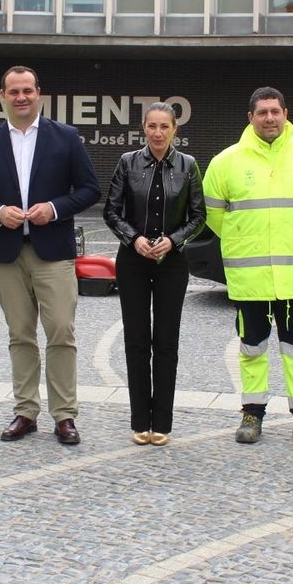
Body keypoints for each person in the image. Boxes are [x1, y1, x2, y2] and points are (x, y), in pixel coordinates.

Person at [0, 66, 100, 445]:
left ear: (39, 93)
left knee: (61, 333)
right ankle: (25, 412)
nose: (21, 97)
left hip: (53, 252)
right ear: (2, 96)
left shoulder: (66, 137)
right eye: (13, 91)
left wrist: (54, 208)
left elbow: (90, 189)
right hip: (7, 253)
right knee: (20, 335)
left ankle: (64, 415)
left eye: (27, 90)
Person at [202, 87, 293, 446]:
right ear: (250, 118)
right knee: (252, 348)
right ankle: (252, 414)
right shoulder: (225, 161)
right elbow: (214, 214)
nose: (269, 118)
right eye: (262, 112)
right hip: (251, 276)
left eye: (275, 111)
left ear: (285, 113)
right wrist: (246, 239)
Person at [102, 102, 206, 446]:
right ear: (143, 129)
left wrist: (174, 241)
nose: (158, 133)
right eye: (152, 126)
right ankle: (139, 421)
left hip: (171, 265)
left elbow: (198, 216)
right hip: (132, 261)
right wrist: (134, 239)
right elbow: (111, 211)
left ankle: (162, 421)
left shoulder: (188, 165)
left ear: (175, 129)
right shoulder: (127, 162)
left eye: (165, 126)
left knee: (165, 342)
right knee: (135, 341)